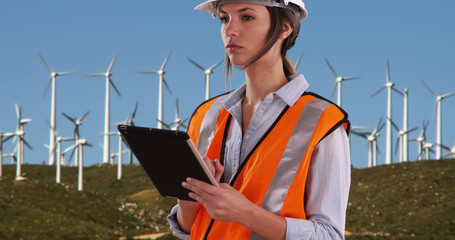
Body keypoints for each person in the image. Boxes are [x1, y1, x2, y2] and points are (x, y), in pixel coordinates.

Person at [167, 0, 351, 239]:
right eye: (224, 18)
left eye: (247, 17)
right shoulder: (206, 116)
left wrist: (245, 213)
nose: (229, 31)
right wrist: (187, 203)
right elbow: (190, 229)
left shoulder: (322, 121)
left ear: (285, 27)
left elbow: (330, 236)